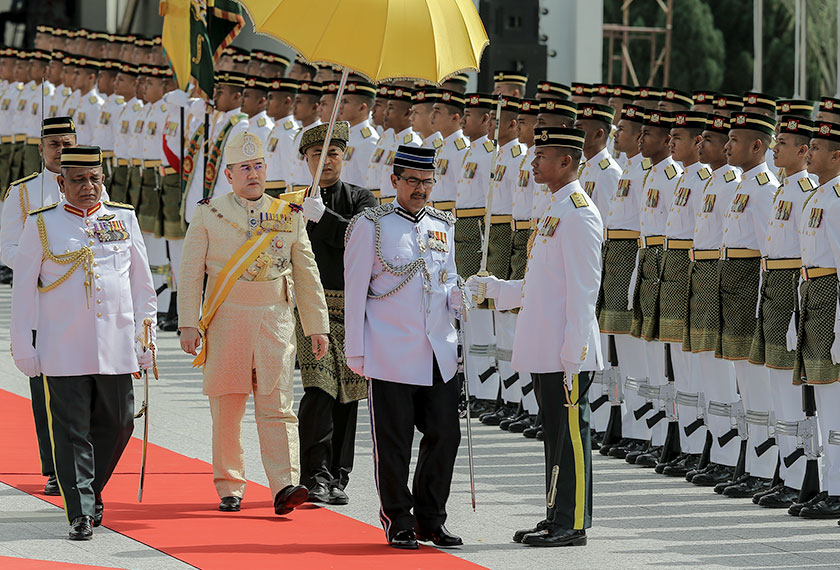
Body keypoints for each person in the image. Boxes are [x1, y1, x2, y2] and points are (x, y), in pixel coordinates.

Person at [178, 131, 329, 516]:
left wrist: (317, 326)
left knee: (277, 404)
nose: (253, 174)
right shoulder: (209, 212)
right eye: (244, 167)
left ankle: (284, 485)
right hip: (227, 317)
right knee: (227, 405)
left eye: (258, 166)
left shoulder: (286, 214)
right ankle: (230, 486)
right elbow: (192, 271)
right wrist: (187, 322)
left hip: (274, 319)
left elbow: (306, 272)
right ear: (228, 175)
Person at [10, 146, 157, 540]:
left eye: (94, 179)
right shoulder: (42, 225)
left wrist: (147, 336)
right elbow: (23, 290)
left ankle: (90, 492)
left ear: (103, 179)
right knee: (72, 431)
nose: (88, 187)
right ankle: (79, 511)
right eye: (78, 180)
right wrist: (23, 344)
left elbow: (142, 285)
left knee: (120, 424)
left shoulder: (123, 218)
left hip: (116, 344)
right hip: (63, 346)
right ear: (61, 182)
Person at [468, 126, 604, 547]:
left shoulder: (579, 213)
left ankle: (573, 523)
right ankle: (556, 513)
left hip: (566, 350)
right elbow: (538, 287)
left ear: (566, 162)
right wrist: (495, 287)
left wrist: (573, 354)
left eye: (542, 155)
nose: (533, 162)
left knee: (572, 440)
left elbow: (584, 291)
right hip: (547, 345)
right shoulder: (553, 208)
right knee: (555, 438)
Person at [344, 145, 463, 550]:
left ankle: (432, 517)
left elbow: (447, 279)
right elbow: (356, 290)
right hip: (390, 350)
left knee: (446, 434)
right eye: (412, 181)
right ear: (394, 181)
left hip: (438, 351)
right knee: (394, 442)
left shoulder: (443, 224)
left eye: (427, 182)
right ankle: (398, 518)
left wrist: (461, 296)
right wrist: (355, 352)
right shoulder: (372, 225)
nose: (421, 189)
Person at [296, 121, 377, 505]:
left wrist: (324, 217)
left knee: (348, 393)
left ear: (344, 156)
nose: (325, 161)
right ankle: (315, 476)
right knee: (319, 389)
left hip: (353, 306)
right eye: (316, 154)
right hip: (312, 309)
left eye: (332, 153)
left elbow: (366, 242)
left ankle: (339, 475)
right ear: (304, 159)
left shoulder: (362, 200)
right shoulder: (294, 202)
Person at [0, 116, 76, 497]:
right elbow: (7, 247)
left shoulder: (92, 188)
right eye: (54, 145)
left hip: (82, 305)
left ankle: (82, 462)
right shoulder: (23, 193)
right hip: (42, 298)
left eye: (67, 143)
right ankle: (54, 468)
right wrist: (42, 266)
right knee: (47, 390)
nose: (61, 151)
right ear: (41, 149)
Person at [749, 116, 816, 508]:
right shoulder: (785, 188)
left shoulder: (805, 189)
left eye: (784, 142)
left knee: (792, 386)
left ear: (804, 151)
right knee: (775, 377)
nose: (776, 148)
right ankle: (786, 468)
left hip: (793, 283)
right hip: (773, 282)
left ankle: (801, 473)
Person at [790, 119, 840, 519]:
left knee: (834, 400)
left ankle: (838, 488)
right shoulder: (818, 196)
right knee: (822, 396)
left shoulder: (838, 199)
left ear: (837, 156)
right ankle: (827, 483)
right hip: (812, 295)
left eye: (817, 149)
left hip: (830, 299)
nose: (809, 153)